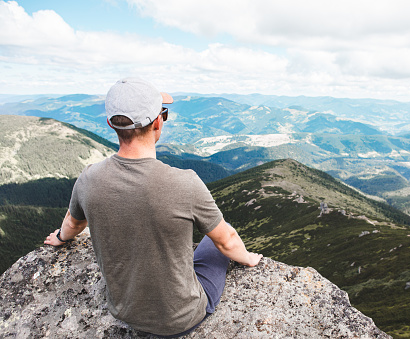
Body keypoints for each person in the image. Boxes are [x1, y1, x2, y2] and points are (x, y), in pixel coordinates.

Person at [44, 77, 263, 337]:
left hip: (124, 311)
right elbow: (226, 241)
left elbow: (73, 223)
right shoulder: (185, 182)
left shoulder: (88, 178)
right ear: (158, 122)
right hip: (182, 319)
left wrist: (59, 238)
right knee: (218, 238)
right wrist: (249, 259)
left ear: (111, 125)